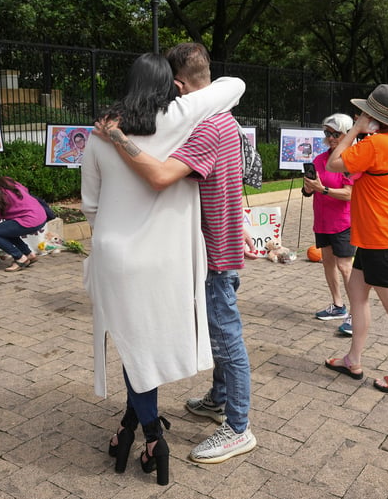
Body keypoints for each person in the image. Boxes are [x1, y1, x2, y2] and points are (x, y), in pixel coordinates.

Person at [83, 51, 246, 484]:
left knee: (132, 345)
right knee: (148, 344)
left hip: (115, 254)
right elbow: (234, 85)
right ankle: (141, 432)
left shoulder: (99, 134)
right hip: (169, 258)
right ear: (172, 87)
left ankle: (147, 432)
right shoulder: (182, 122)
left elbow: (91, 206)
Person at [323, 84, 388, 395]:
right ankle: (353, 359)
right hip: (378, 236)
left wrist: (355, 129)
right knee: (357, 292)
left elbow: (333, 162)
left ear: (375, 117)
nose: (360, 116)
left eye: (365, 113)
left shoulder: (377, 144)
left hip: (383, 239)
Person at [302, 113, 356, 336]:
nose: (331, 138)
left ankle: (356, 313)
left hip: (343, 222)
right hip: (322, 220)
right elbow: (309, 190)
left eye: (336, 134)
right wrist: (308, 187)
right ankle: (338, 305)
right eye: (327, 133)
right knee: (328, 263)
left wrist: (323, 189)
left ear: (347, 135)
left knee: (345, 267)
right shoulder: (320, 159)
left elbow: (349, 194)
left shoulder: (350, 160)